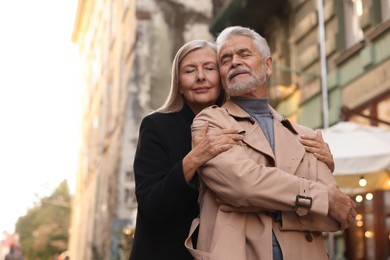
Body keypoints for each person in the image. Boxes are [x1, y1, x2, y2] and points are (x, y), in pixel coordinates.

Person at [129, 39, 336, 260]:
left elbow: (271, 181)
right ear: (178, 83)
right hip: (166, 251)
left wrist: (322, 163)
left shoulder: (243, 123)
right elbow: (151, 206)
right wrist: (193, 160)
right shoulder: (158, 125)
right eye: (190, 70)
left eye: (210, 68)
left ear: (222, 77)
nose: (201, 76)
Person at [185, 26, 356, 260]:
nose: (235, 62)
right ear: (222, 77)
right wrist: (315, 200)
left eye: (244, 54)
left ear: (268, 65)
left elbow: (336, 214)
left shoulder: (305, 136)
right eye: (225, 59)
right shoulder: (210, 122)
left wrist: (252, 202)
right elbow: (242, 184)